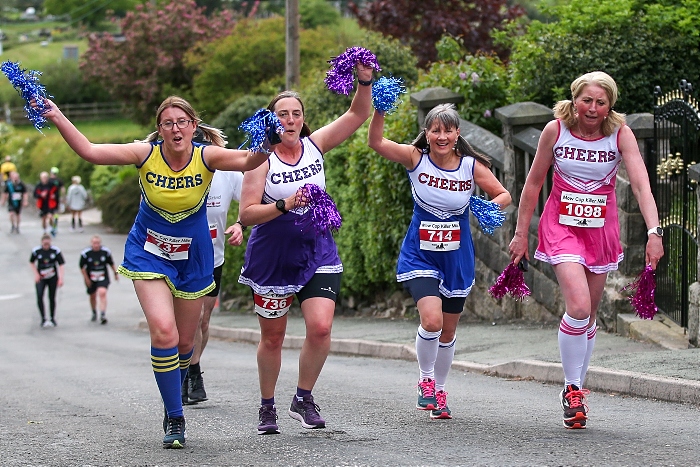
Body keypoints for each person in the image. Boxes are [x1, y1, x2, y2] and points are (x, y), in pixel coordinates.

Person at [38, 95, 275, 449]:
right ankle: (174, 415)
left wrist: (267, 137)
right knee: (163, 332)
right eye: (168, 123)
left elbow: (247, 160)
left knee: (183, 342)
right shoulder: (145, 153)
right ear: (159, 129)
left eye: (182, 122)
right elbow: (89, 151)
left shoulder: (206, 156)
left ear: (194, 127)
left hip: (193, 256)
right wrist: (56, 115)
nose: (176, 128)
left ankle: (174, 393)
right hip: (149, 252)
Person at [507, 71, 664, 429]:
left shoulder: (620, 134)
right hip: (560, 226)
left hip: (600, 230)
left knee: (589, 315)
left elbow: (641, 186)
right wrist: (520, 233)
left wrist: (654, 231)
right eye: (586, 100)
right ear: (574, 99)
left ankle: (579, 384)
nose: (592, 109)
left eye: (601, 102)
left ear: (610, 105)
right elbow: (532, 184)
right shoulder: (555, 130)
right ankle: (572, 388)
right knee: (577, 306)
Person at [238, 62, 373, 435]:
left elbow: (358, 112)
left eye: (296, 113)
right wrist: (284, 204)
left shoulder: (316, 145)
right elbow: (247, 214)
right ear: (271, 119)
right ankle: (268, 406)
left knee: (320, 327)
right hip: (272, 257)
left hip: (318, 250)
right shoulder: (259, 158)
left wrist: (363, 78)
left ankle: (303, 397)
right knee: (273, 337)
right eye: (283, 114)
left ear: (303, 119)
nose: (291, 119)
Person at [368, 103, 511, 420]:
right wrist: (379, 109)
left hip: (457, 257)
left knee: (447, 331)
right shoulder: (415, 159)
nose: (442, 136)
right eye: (436, 130)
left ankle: (441, 391)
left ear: (457, 134)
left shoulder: (470, 167)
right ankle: (426, 380)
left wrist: (485, 208)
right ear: (427, 133)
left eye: (448, 130)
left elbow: (503, 195)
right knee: (431, 321)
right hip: (420, 253)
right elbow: (376, 143)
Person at [181, 128, 244, 405]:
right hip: (177, 256)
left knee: (203, 319)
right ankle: (186, 371)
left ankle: (191, 369)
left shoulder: (228, 173)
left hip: (211, 257)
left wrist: (241, 224)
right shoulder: (177, 172)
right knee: (185, 320)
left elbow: (253, 198)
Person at [80, 234, 119, 324]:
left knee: (102, 292)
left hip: (102, 276)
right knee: (92, 296)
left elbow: (111, 263)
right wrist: (86, 279)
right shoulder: (86, 253)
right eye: (94, 243)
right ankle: (94, 311)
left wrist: (115, 273)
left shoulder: (105, 252)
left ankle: (102, 314)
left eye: (97, 243)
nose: (96, 245)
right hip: (91, 277)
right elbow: (82, 267)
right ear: (91, 243)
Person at [29, 233, 65, 328]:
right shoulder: (37, 251)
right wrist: (36, 274)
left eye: (48, 244)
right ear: (42, 243)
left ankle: (52, 318)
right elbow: (31, 262)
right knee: (40, 295)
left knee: (52, 297)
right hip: (41, 277)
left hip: (52, 277)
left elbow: (61, 264)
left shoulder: (55, 251)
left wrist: (61, 278)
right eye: (44, 244)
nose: (46, 246)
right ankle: (43, 318)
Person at [48, 167, 65, 235]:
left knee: (54, 215)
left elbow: (62, 189)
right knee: (52, 215)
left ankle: (54, 227)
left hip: (55, 200)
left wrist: (63, 197)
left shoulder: (58, 180)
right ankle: (52, 226)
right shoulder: (48, 180)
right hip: (50, 200)